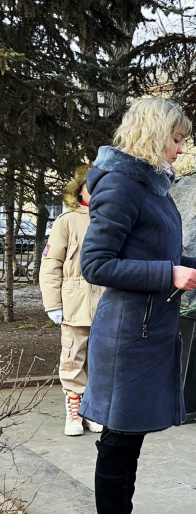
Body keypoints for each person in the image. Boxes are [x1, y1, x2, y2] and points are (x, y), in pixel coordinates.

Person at [79, 97, 196, 514]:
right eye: (176, 140)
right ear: (154, 134)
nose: (180, 149)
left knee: (127, 443)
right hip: (126, 336)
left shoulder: (151, 186)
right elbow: (96, 264)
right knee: (118, 444)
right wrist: (168, 273)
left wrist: (190, 268)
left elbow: (153, 253)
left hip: (149, 329)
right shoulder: (121, 186)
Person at [40, 166, 105, 436]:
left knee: (100, 358)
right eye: (91, 184)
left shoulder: (112, 218)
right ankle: (75, 410)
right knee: (73, 356)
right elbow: (51, 262)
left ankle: (92, 410)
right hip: (75, 300)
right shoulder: (66, 221)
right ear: (79, 188)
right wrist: (53, 303)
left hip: (106, 299)